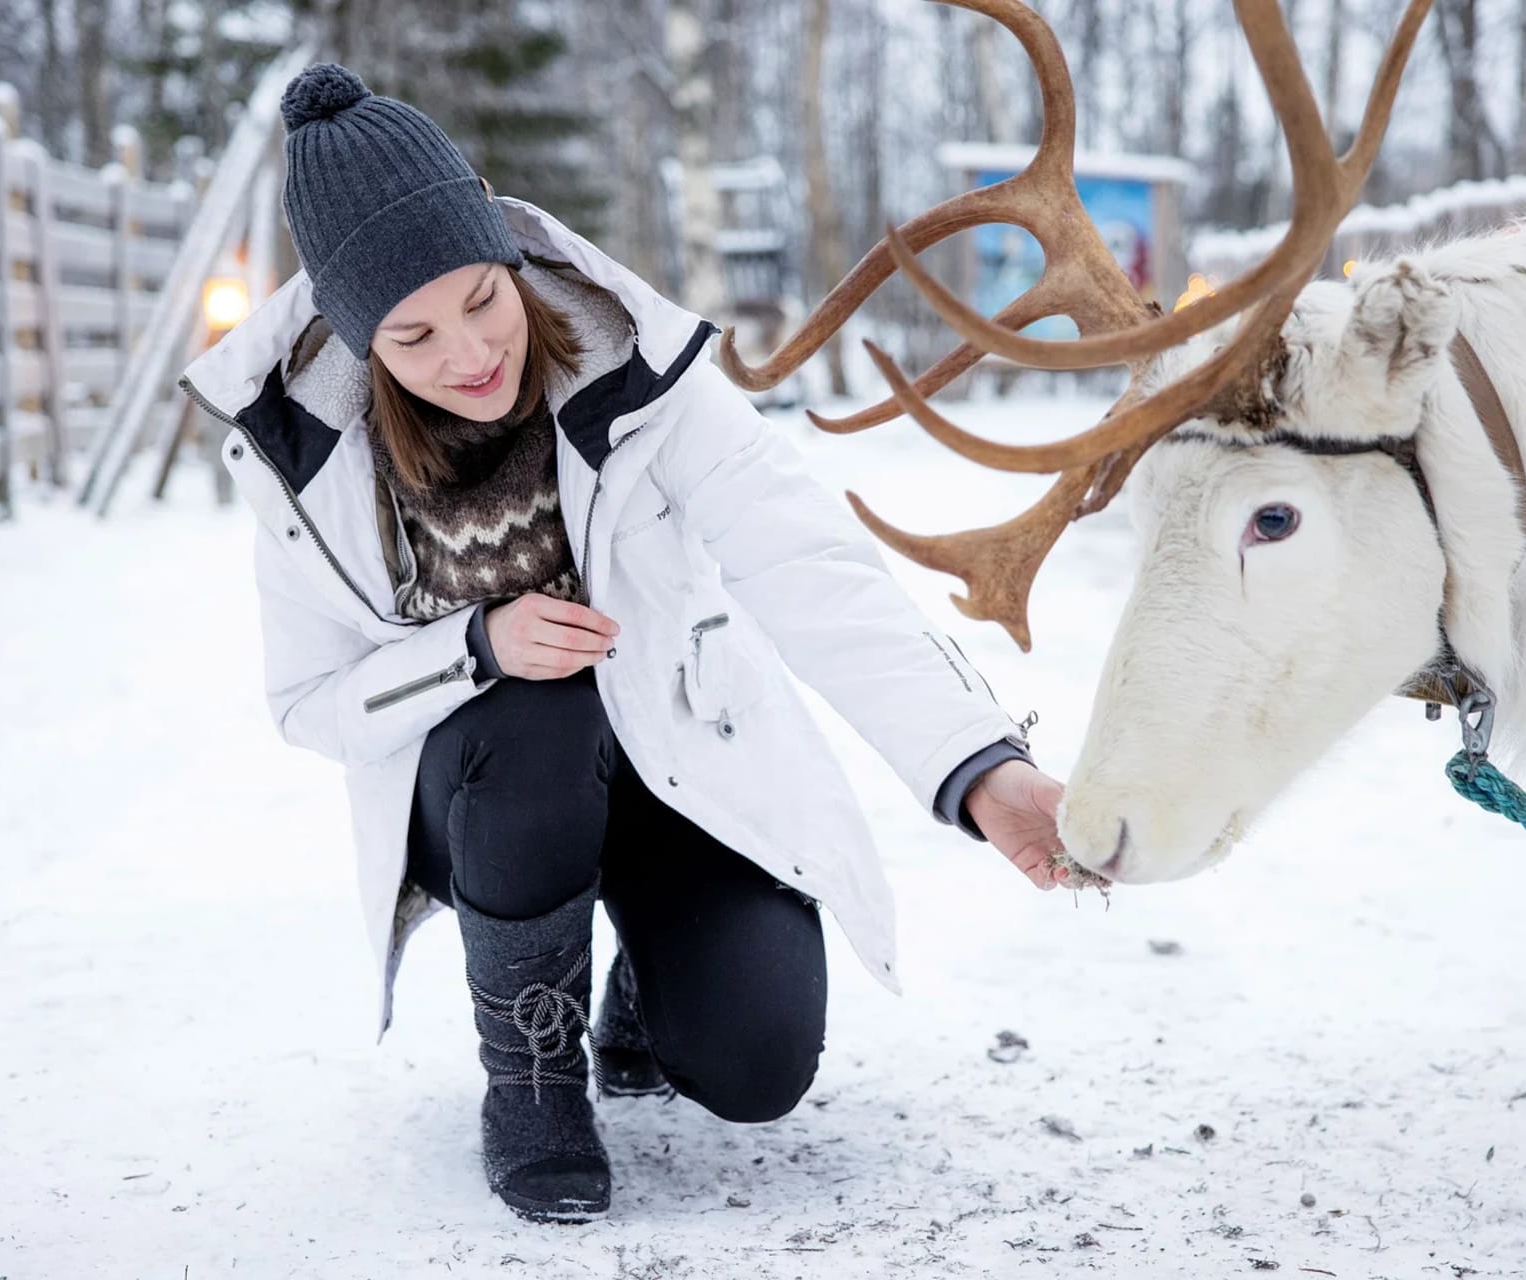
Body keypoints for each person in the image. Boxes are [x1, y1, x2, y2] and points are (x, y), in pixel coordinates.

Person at [182, 63, 1070, 1225]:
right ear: (359, 339)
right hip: (489, 795)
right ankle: (534, 1073)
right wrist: (475, 648)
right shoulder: (311, 457)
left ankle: (639, 980)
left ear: (507, 252)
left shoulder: (635, 368)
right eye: (413, 333)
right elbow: (306, 701)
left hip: (673, 768)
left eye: (483, 300)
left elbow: (810, 566)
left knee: (757, 1067)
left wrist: (980, 768)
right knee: (533, 706)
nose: (468, 352)